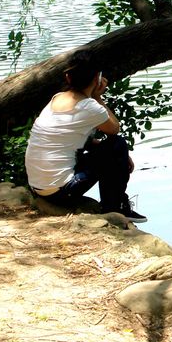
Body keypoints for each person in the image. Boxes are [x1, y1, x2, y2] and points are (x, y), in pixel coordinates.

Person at [24, 50, 147, 222]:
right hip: (62, 191)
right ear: (97, 78)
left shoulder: (56, 98)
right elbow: (114, 129)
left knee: (113, 149)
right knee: (117, 143)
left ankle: (115, 205)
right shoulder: (90, 107)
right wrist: (98, 97)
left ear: (68, 78)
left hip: (39, 187)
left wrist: (116, 155)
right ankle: (115, 208)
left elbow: (72, 139)